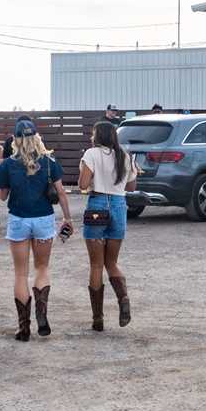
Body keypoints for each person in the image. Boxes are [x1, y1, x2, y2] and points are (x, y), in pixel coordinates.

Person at [0, 120, 74, 341]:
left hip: (19, 219)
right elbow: (61, 193)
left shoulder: (7, 164)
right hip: (43, 219)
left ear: (16, 139)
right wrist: (67, 218)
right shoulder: (50, 161)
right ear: (37, 137)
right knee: (42, 268)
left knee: (20, 273)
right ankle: (41, 315)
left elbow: (2, 197)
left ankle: (24, 328)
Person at [79, 122, 139, 330]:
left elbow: (83, 184)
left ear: (98, 136)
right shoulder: (125, 155)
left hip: (97, 205)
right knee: (111, 263)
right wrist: (135, 172)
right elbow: (131, 186)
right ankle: (123, 301)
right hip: (119, 206)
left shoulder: (92, 154)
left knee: (96, 265)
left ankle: (98, 319)